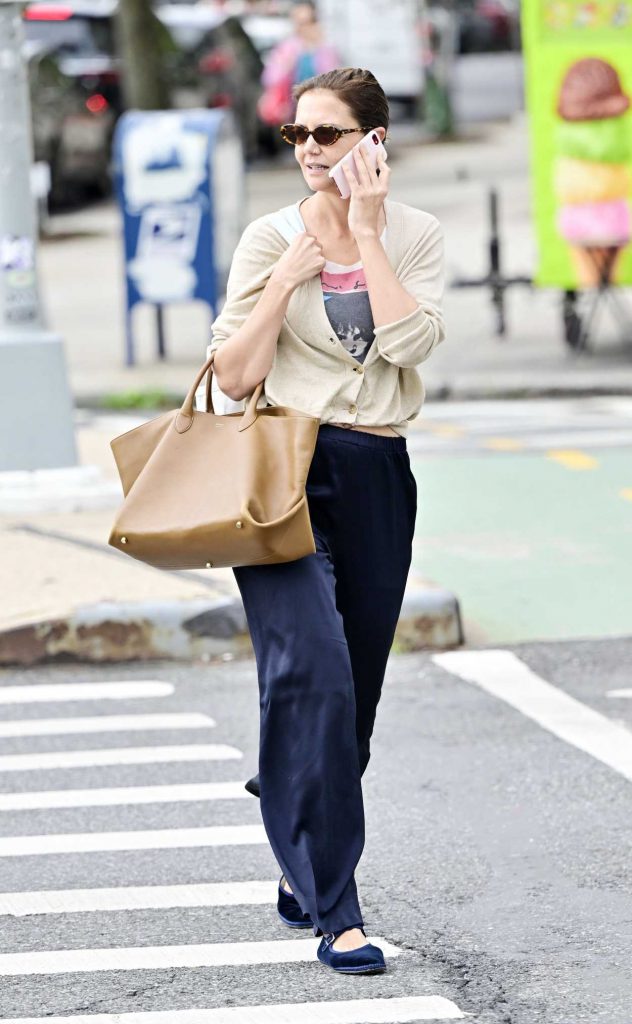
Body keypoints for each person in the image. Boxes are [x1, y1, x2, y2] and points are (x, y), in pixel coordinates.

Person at [210, 66, 445, 974]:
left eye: (329, 134)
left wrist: (369, 238)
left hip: (376, 465)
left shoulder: (417, 234)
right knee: (311, 672)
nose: (308, 150)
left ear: (373, 142)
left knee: (356, 703)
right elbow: (231, 375)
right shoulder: (267, 236)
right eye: (298, 135)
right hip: (281, 469)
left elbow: (412, 346)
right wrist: (284, 281)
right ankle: (337, 911)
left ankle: (295, 809)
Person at [257, 1, 340, 127]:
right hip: (291, 114)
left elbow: (334, 81)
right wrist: (287, 63)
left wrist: (318, 46)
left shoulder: (326, 49)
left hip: (320, 112)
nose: (304, 28)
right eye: (300, 23)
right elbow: (269, 79)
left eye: (308, 22)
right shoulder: (288, 47)